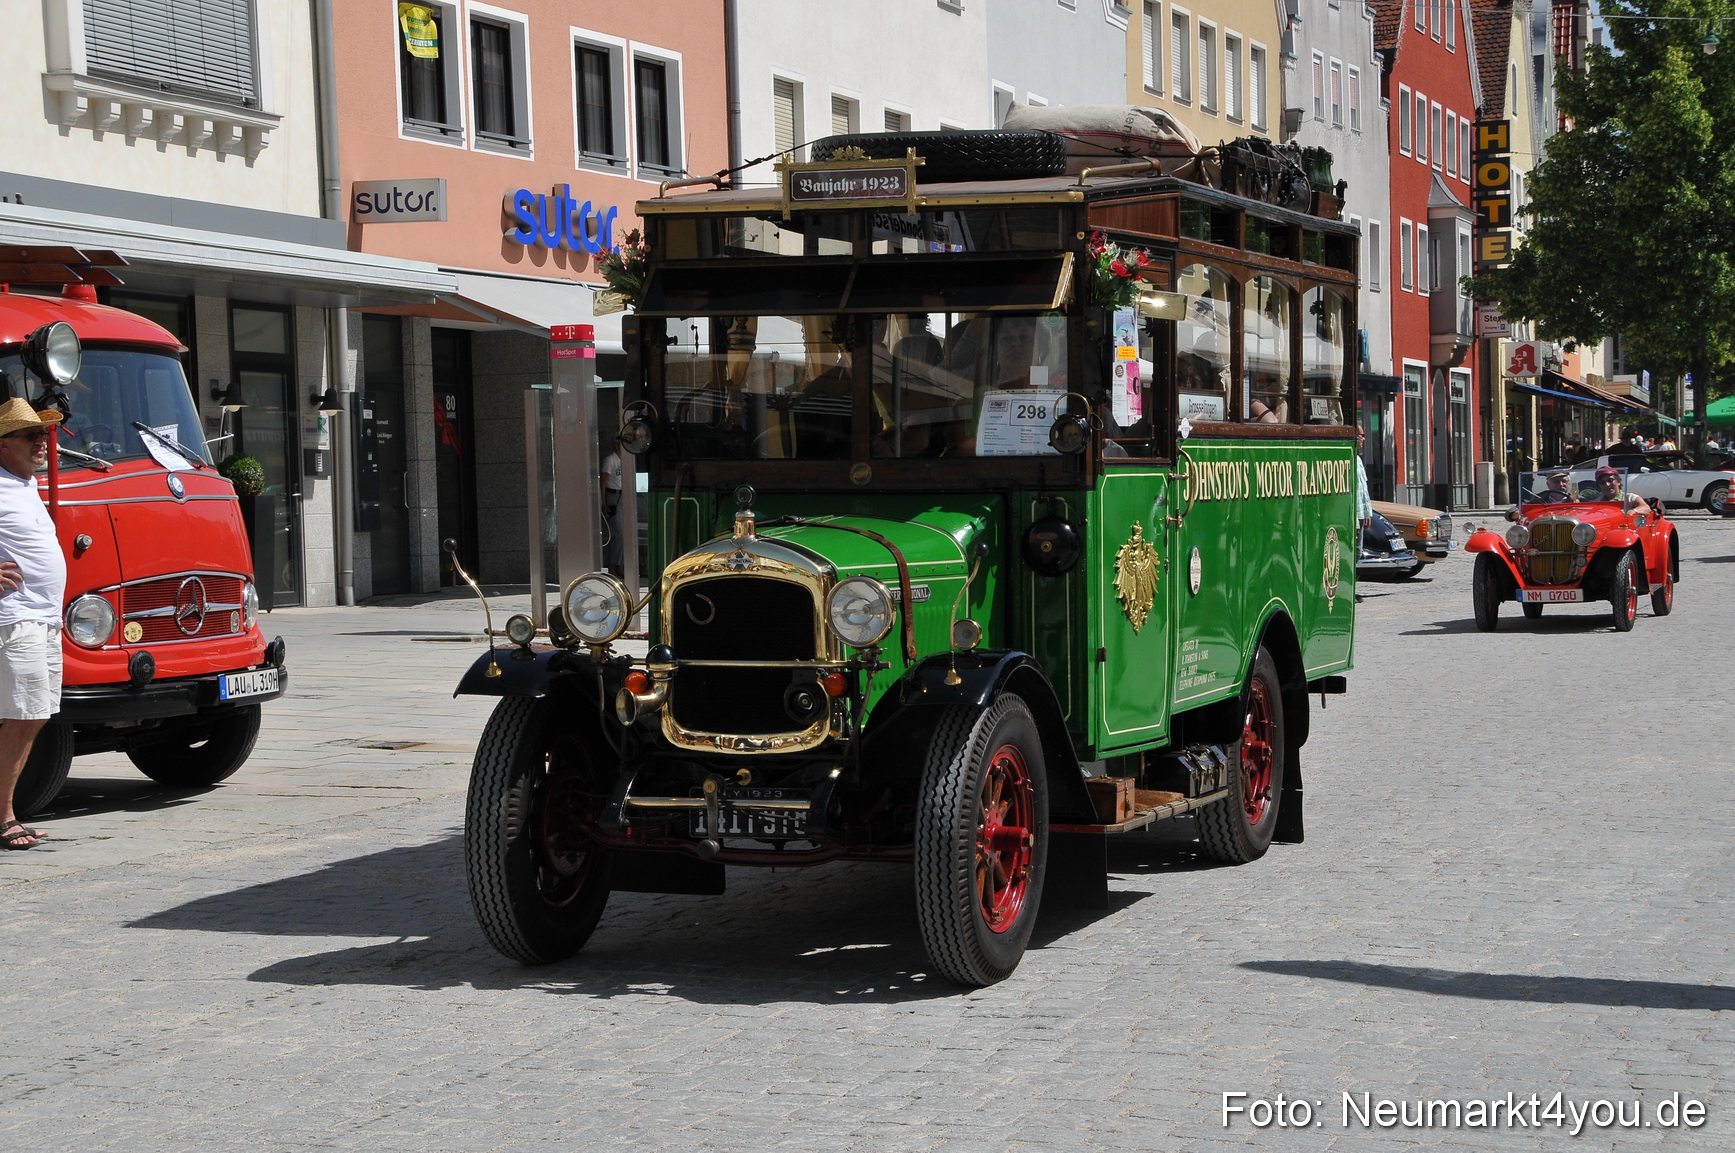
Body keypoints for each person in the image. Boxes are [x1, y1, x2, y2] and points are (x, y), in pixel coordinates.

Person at [0, 401, 66, 850]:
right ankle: (4, 817)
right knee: (24, 714)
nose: (41, 441)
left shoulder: (25, 484)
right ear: (3, 444)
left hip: (43, 618)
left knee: (35, 715)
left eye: (42, 434)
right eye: (29, 436)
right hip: (15, 616)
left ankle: (7, 811)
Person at [601, 447, 624, 578]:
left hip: (622, 495)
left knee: (623, 534)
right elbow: (603, 482)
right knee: (618, 533)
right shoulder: (610, 460)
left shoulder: (625, 460)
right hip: (613, 495)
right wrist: (603, 503)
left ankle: (619, 563)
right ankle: (612, 565)